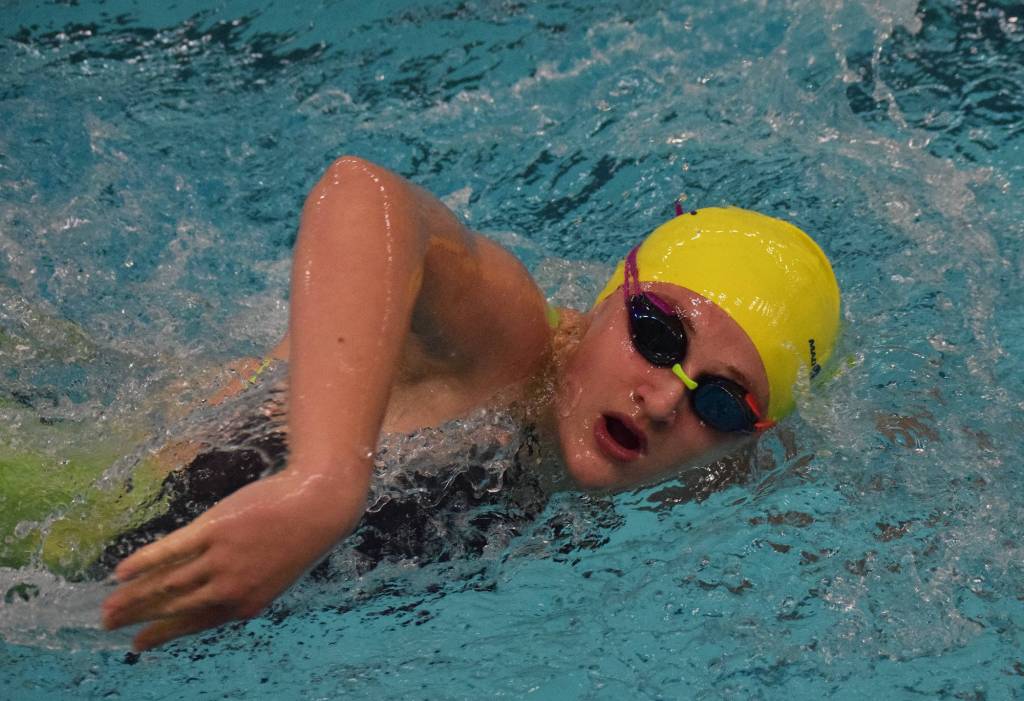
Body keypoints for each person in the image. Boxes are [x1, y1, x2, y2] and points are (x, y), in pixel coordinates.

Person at [100, 155, 841, 651]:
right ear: (606, 299)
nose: (659, 401)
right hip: (79, 513)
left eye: (718, 402)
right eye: (655, 332)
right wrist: (322, 481)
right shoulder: (504, 344)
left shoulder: (713, 473)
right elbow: (362, 192)